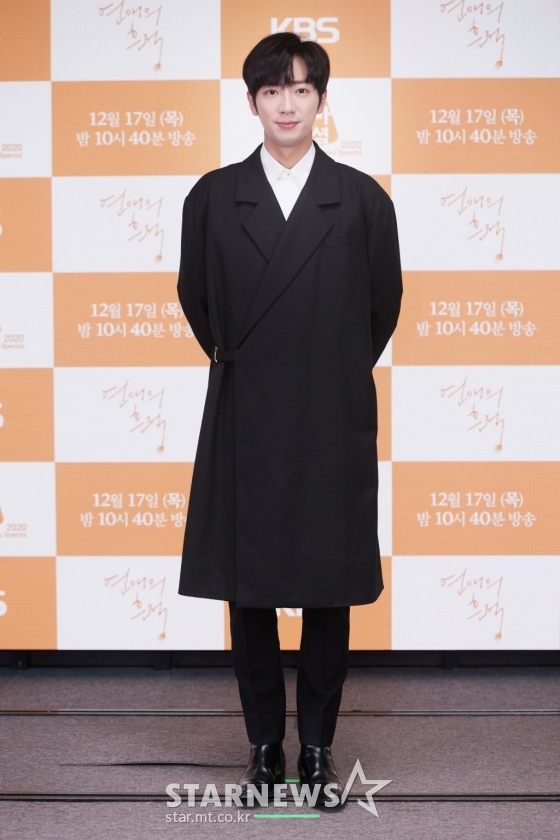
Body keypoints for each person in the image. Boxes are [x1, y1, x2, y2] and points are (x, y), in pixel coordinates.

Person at [177, 32, 402, 806]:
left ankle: (319, 750)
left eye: (301, 90)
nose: (287, 104)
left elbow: (381, 308)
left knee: (328, 589)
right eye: (272, 90)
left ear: (321, 101)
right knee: (250, 592)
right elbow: (198, 302)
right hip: (247, 411)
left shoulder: (363, 200)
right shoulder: (212, 197)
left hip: (332, 414)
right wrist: (257, 364)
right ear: (252, 102)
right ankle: (265, 746)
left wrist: (327, 368)